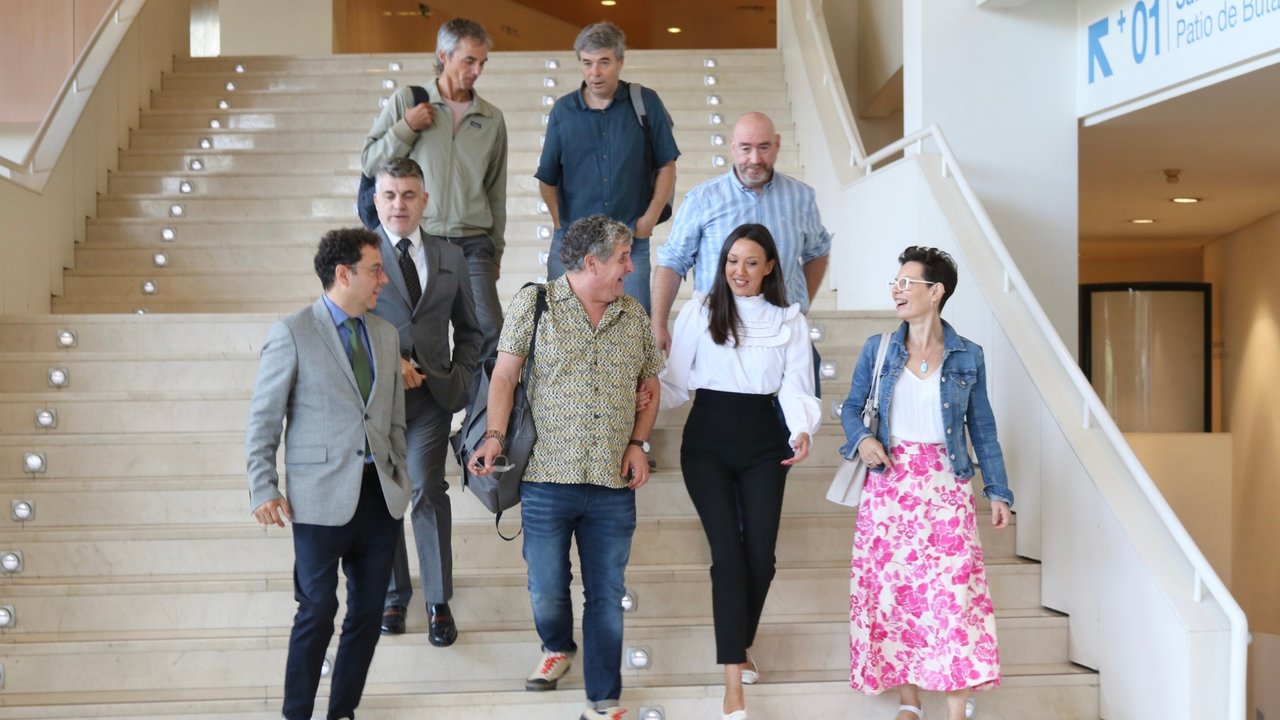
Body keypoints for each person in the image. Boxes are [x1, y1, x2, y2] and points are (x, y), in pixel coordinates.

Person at [470, 215, 664, 720]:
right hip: (544, 478)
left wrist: (639, 442)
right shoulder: (535, 304)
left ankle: (604, 699)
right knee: (548, 588)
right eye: (623, 257)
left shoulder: (634, 316)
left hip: (611, 483)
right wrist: (493, 436)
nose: (630, 266)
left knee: (607, 593)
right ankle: (557, 645)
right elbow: (506, 377)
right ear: (592, 262)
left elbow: (651, 385)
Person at [839, 246, 1013, 720]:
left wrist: (997, 491)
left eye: (906, 283)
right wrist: (862, 440)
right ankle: (910, 703)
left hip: (945, 486)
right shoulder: (878, 349)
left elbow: (983, 429)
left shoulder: (967, 356)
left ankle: (956, 708)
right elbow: (851, 408)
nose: (897, 290)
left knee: (953, 597)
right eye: (894, 283)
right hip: (889, 486)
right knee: (897, 597)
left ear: (935, 292)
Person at [245, 227, 411, 720]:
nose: (383, 278)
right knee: (317, 610)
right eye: (374, 269)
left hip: (379, 498)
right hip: (318, 499)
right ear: (344, 274)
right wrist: (263, 486)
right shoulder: (293, 331)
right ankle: (296, 713)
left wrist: (400, 472)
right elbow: (264, 417)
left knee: (366, 613)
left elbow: (394, 418)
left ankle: (342, 711)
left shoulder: (386, 334)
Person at [659, 224, 821, 720]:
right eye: (732, 261)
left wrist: (802, 429)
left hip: (764, 439)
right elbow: (674, 383)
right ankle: (734, 683)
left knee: (761, 559)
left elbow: (796, 385)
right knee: (727, 556)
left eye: (751, 262)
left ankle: (738, 641)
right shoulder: (701, 310)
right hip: (707, 438)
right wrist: (634, 416)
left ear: (770, 266)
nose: (739, 271)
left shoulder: (788, 320)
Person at [368, 158, 483, 646]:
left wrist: (460, 376)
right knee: (386, 496)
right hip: (375, 403)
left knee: (426, 490)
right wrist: (391, 362)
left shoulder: (449, 255)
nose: (399, 204)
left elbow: (473, 329)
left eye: (408, 195)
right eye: (390, 195)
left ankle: (438, 600)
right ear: (377, 201)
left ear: (424, 201)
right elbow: (343, 325)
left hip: (433, 400)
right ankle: (395, 594)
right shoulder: (359, 253)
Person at [361, 18, 507, 363]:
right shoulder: (408, 102)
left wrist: (496, 249)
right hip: (421, 241)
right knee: (418, 334)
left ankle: (478, 415)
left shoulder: (491, 118)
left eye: (482, 62)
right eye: (469, 61)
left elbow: (496, 190)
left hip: (473, 243)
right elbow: (370, 163)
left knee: (490, 332)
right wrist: (406, 128)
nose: (476, 71)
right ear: (444, 55)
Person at [652, 111, 831, 390]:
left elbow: (818, 250)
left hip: (783, 335)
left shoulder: (801, 197)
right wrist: (659, 323)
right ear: (733, 147)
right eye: (746, 148)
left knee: (799, 425)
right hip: (721, 339)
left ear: (778, 144)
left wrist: (799, 304)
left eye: (764, 147)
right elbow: (672, 262)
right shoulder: (703, 199)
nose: (755, 159)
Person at [536, 20, 680, 314]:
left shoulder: (645, 102)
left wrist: (648, 220)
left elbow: (667, 165)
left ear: (620, 61)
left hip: (630, 241)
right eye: (587, 63)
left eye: (604, 62)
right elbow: (547, 178)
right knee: (564, 328)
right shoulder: (563, 111)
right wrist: (560, 225)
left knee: (634, 328)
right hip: (574, 244)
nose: (595, 73)